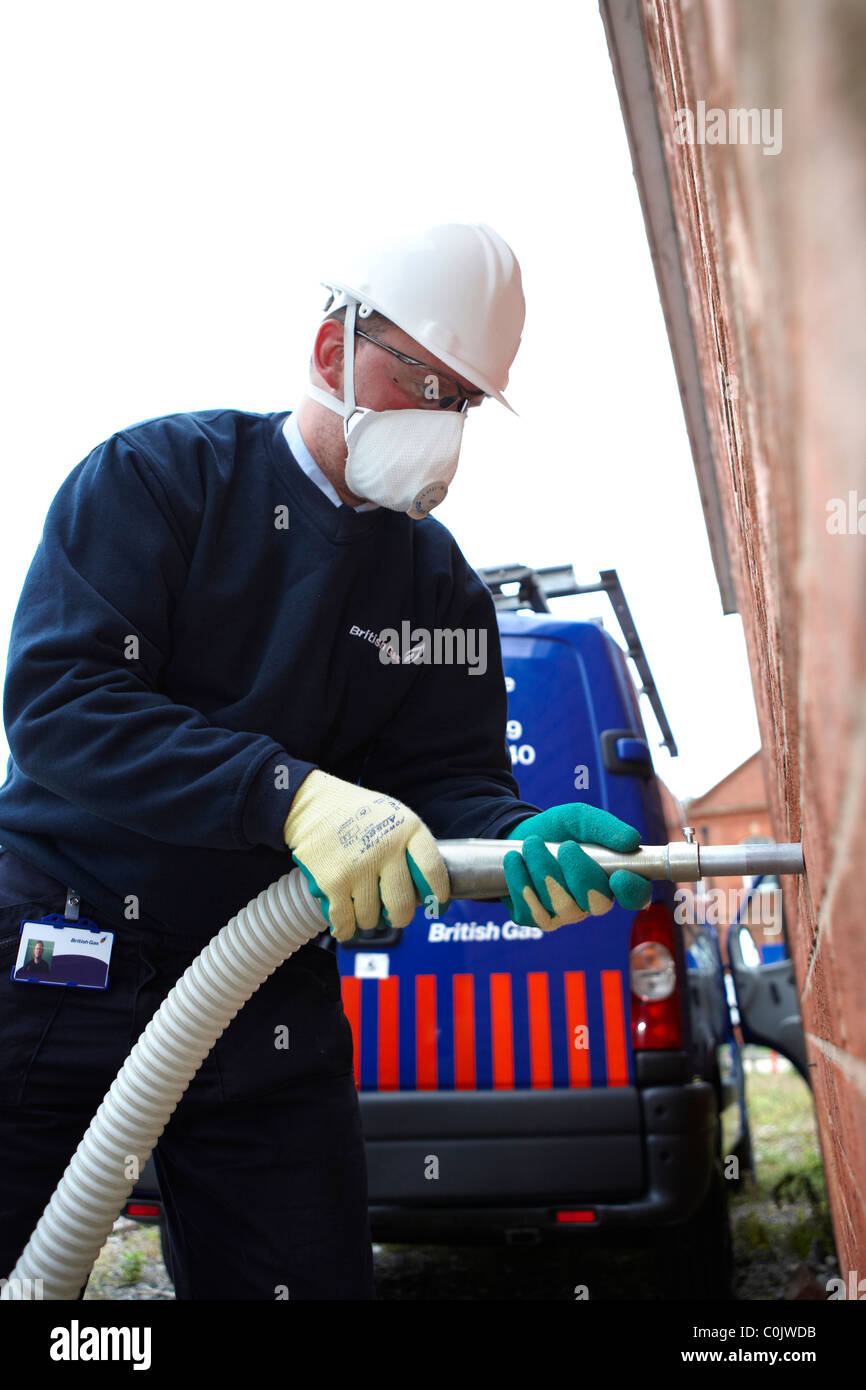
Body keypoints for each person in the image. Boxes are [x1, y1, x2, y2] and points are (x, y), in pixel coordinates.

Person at [0, 222, 651, 1300]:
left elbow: (451, 777)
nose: (438, 420)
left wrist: (509, 833)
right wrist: (286, 794)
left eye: (462, 399)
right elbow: (64, 704)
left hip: (263, 985)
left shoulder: (435, 586)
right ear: (327, 351)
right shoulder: (159, 481)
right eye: (418, 378)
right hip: (64, 954)